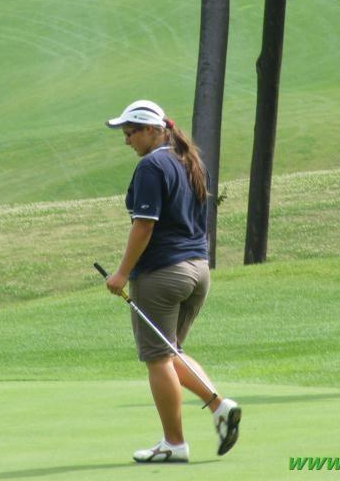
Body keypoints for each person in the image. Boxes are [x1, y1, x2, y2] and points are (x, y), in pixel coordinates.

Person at [104, 99, 241, 463]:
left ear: (153, 130)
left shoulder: (152, 166)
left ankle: (174, 443)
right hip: (198, 270)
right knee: (171, 352)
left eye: (131, 132)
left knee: (158, 359)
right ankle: (218, 406)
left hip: (162, 274)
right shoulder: (189, 159)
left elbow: (144, 226)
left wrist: (120, 273)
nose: (127, 140)